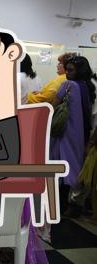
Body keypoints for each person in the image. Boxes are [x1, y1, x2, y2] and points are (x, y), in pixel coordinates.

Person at [55, 56, 96, 215]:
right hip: (84, 133)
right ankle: (75, 205)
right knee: (77, 169)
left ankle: (61, 207)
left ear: (80, 70)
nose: (67, 73)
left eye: (70, 70)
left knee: (62, 168)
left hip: (67, 133)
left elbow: (53, 104)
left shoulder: (68, 85)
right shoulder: (90, 86)